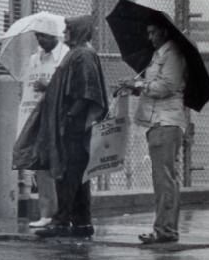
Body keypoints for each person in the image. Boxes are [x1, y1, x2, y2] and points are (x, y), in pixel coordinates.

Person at [35, 15, 108, 239]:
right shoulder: (78, 53)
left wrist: (69, 115)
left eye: (69, 29)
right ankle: (81, 221)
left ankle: (62, 220)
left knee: (68, 173)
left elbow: (86, 92)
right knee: (77, 174)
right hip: (73, 122)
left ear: (78, 31)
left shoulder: (83, 55)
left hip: (74, 125)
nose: (65, 32)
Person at [119, 18, 187, 244]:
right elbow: (154, 87)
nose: (149, 37)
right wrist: (135, 87)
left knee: (164, 178)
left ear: (164, 32)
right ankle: (164, 228)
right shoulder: (159, 55)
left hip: (165, 122)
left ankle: (165, 230)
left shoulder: (172, 54)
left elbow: (167, 86)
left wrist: (138, 86)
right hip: (158, 122)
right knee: (164, 178)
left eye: (153, 33)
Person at [17, 28, 69, 228]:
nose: (40, 40)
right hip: (39, 115)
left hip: (57, 117)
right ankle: (47, 212)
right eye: (37, 36)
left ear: (55, 36)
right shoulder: (34, 59)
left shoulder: (64, 57)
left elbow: (68, 87)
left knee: (58, 166)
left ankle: (62, 213)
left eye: (44, 36)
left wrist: (50, 86)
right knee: (42, 165)